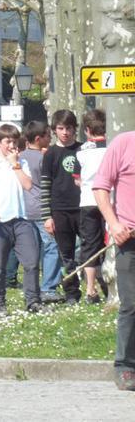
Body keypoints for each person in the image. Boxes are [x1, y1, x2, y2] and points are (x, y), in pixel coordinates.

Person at [0, 124, 41, 315]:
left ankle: (32, 301)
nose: (12, 145)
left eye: (14, 141)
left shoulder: (21, 163)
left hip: (21, 219)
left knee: (31, 261)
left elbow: (28, 185)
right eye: (7, 141)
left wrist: (15, 164)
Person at [90, 130, 135, 391]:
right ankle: (125, 365)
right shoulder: (123, 143)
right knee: (131, 304)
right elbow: (100, 187)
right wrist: (114, 223)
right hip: (128, 238)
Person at [15, 121, 62, 302]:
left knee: (32, 252)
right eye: (48, 136)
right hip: (42, 209)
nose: (50, 139)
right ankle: (49, 287)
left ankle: (32, 288)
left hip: (24, 209)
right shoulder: (45, 157)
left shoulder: (20, 157)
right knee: (51, 247)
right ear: (38, 138)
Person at [41, 109, 84, 304]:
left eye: (68, 128)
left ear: (75, 129)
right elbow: (45, 186)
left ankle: (96, 285)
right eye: (61, 128)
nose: (65, 132)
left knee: (90, 249)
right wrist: (47, 216)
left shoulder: (83, 150)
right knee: (66, 254)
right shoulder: (50, 154)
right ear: (54, 130)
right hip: (60, 209)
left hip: (83, 208)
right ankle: (71, 292)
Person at [75, 108, 108, 303]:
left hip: (88, 200)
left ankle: (90, 289)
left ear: (87, 130)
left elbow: (77, 180)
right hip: (111, 200)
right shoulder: (113, 146)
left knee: (90, 245)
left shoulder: (81, 151)